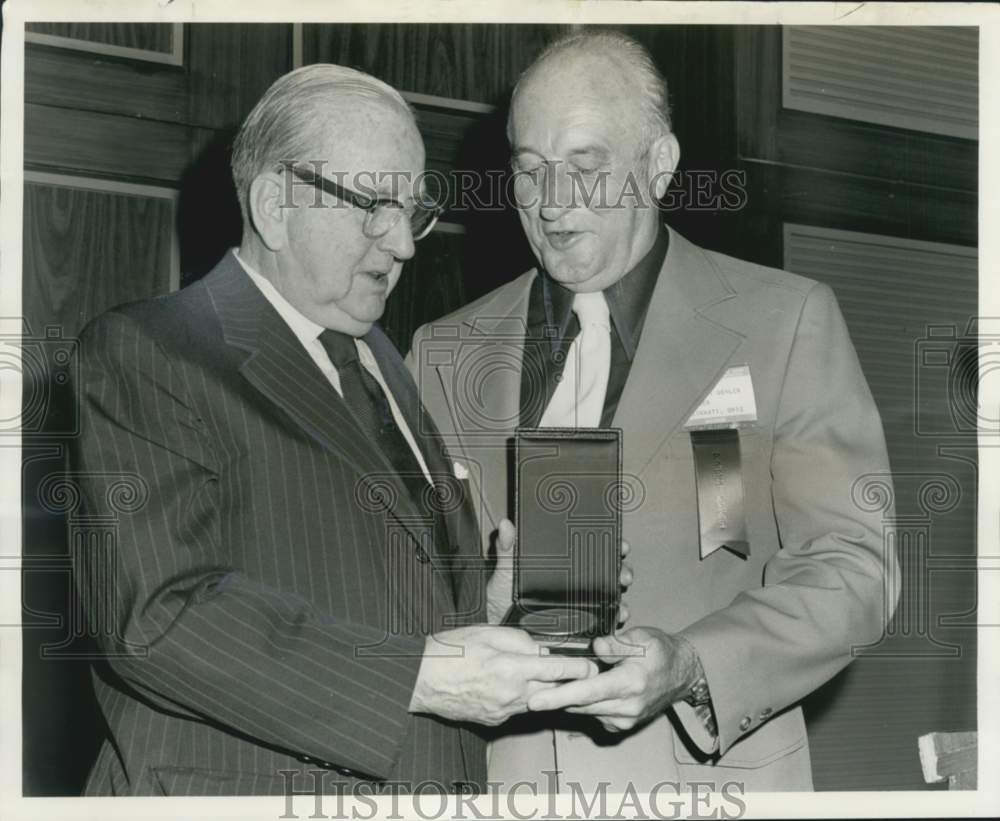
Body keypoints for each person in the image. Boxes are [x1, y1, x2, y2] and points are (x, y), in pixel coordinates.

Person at [68, 64, 599, 797]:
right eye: (375, 205)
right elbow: (156, 618)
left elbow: (371, 584)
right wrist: (419, 677)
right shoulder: (149, 351)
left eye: (413, 211)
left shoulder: (381, 356)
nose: (405, 244)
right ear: (275, 204)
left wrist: (487, 601)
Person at [408, 31, 900, 793]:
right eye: (530, 170)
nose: (552, 201)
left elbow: (853, 569)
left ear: (660, 165)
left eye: (586, 165)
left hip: (712, 786)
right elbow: (395, 592)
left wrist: (694, 664)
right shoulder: (439, 354)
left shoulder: (783, 322)